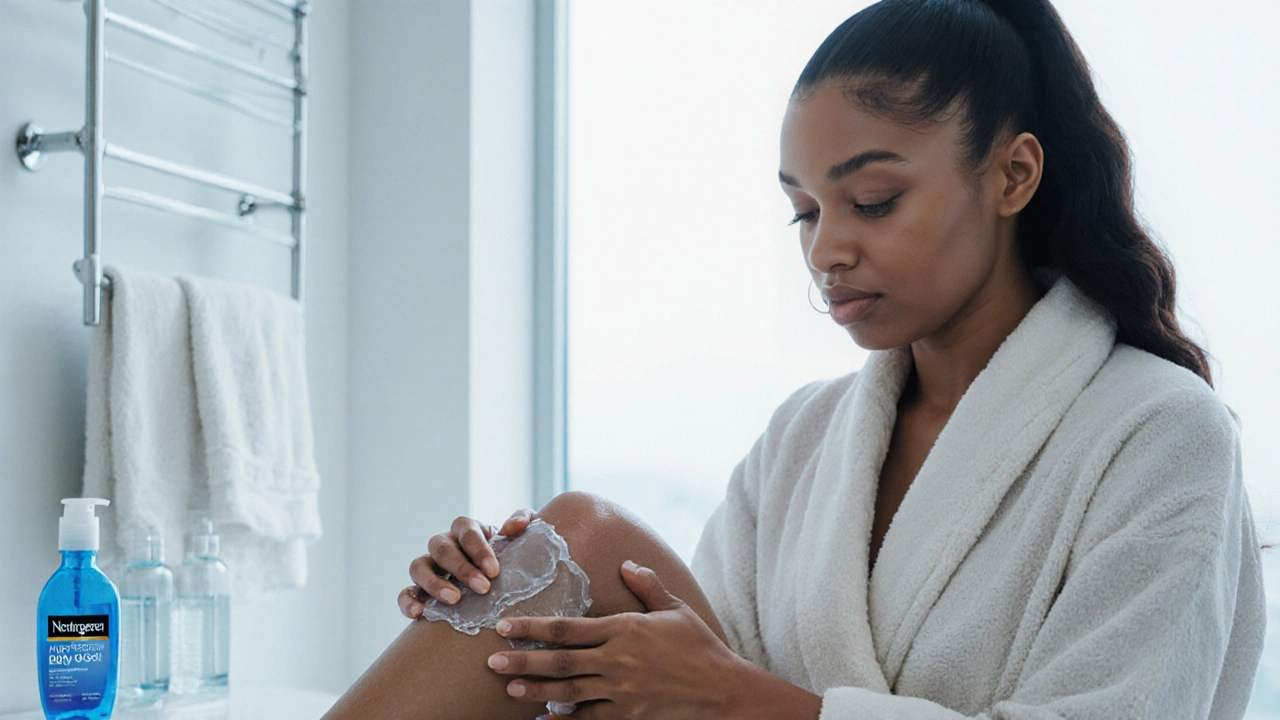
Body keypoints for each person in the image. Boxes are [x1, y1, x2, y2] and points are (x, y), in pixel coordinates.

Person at [321, 0, 1266, 717]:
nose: (824, 253)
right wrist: (493, 587)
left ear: (1013, 174)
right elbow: (676, 677)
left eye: (874, 201)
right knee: (569, 538)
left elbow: (724, 693)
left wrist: (754, 704)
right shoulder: (805, 438)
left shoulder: (1161, 434)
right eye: (805, 211)